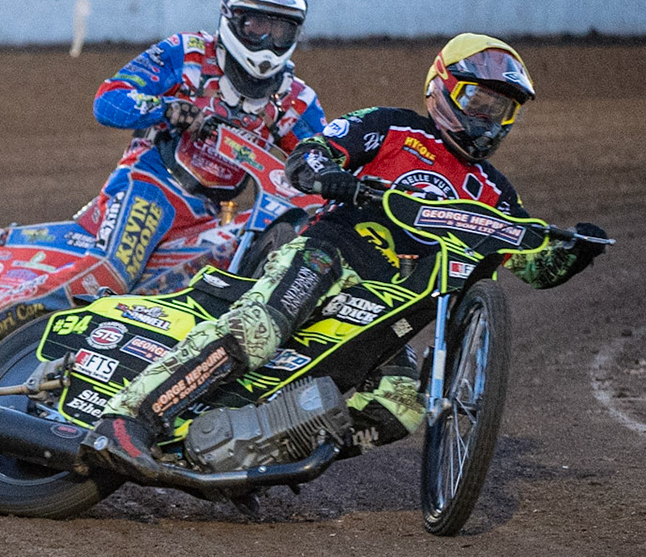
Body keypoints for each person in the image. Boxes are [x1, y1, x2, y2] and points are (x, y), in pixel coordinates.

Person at [86, 35, 607, 479]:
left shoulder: (494, 190)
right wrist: (327, 173)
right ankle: (128, 420)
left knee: (400, 403)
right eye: (478, 101)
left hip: (392, 304)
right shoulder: (392, 125)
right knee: (260, 327)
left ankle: (253, 450)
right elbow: (311, 152)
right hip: (330, 250)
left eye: (502, 108)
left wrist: (575, 250)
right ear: (443, 88)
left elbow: (534, 265)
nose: (488, 118)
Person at [0, 0, 325, 371]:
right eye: (257, 24)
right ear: (231, 18)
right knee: (113, 274)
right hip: (152, 184)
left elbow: (323, 162)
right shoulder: (186, 54)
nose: (268, 41)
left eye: (281, 29)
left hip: (212, 214)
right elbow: (109, 99)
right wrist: (167, 109)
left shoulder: (297, 101)